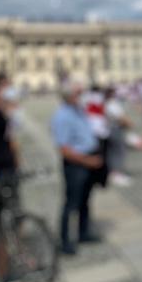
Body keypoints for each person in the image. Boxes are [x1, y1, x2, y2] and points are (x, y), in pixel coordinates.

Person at [51, 82, 103, 255]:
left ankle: (83, 232)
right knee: (71, 203)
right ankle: (65, 241)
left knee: (84, 201)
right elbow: (64, 149)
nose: (80, 97)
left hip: (88, 160)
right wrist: (87, 161)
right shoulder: (62, 116)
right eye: (77, 94)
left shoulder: (77, 110)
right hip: (77, 164)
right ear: (68, 96)